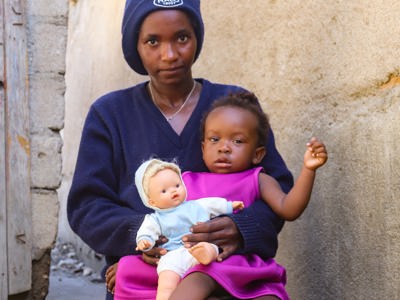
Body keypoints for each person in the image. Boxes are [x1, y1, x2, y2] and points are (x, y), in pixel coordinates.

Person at [67, 0, 294, 299]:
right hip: (145, 282)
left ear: (197, 38)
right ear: (135, 45)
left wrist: (242, 228)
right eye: (152, 41)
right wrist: (144, 234)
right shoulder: (109, 115)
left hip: (229, 281)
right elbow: (87, 206)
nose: (170, 54)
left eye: (182, 38)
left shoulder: (235, 105)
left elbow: (277, 188)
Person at [114, 92, 328, 300]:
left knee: (199, 278)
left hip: (232, 261)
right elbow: (162, 219)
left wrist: (308, 170)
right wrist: (146, 246)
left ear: (258, 154)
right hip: (188, 256)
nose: (224, 148)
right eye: (215, 139)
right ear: (203, 147)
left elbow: (289, 209)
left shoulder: (257, 179)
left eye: (237, 141)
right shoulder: (185, 181)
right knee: (128, 268)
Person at [134, 158, 245, 300]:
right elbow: (147, 231)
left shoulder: (196, 205)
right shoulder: (155, 219)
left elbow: (214, 205)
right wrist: (145, 241)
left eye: (177, 185)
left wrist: (230, 206)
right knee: (166, 279)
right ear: (151, 201)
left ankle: (205, 254)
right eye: (164, 190)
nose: (173, 191)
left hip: (198, 245)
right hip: (173, 253)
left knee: (212, 247)